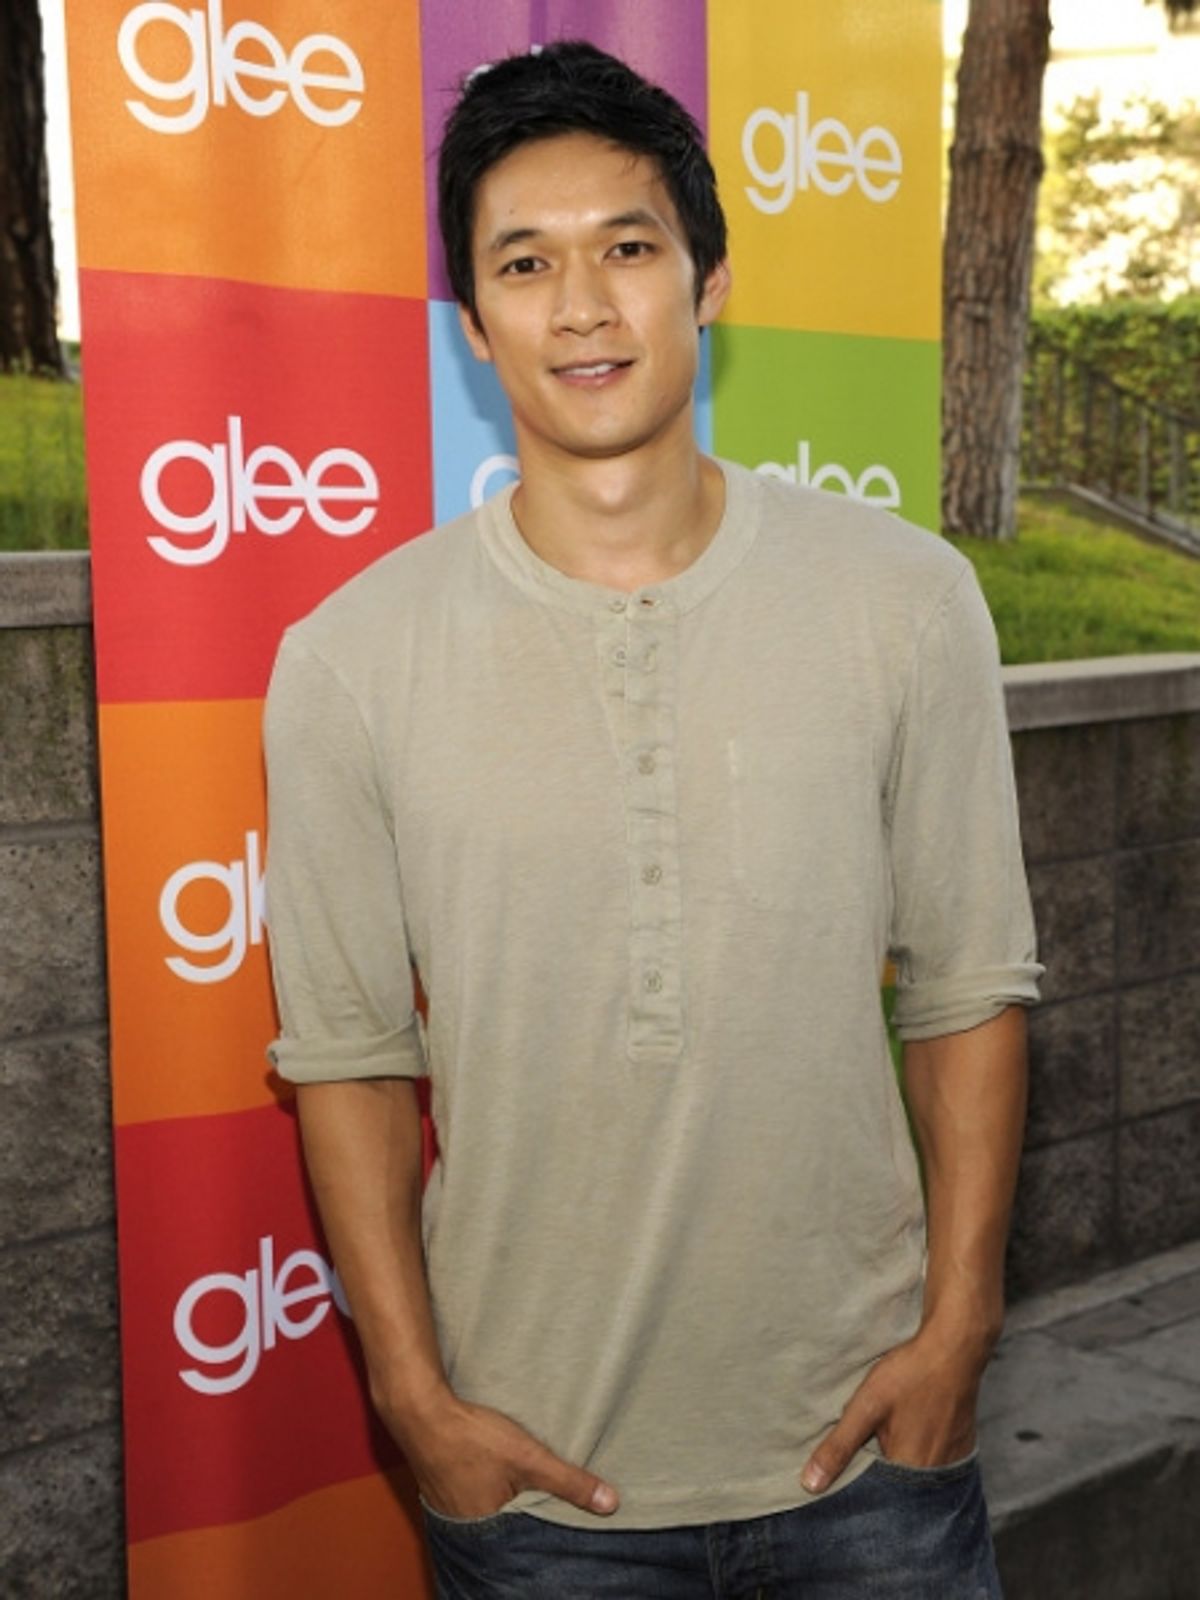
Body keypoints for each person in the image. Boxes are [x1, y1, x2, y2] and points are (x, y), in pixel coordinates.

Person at [263, 40, 1043, 1599]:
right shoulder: (347, 659)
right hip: (538, 1491)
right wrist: (417, 1404)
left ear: (709, 277)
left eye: (628, 248)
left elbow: (971, 989)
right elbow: (346, 1056)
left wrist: (958, 1332)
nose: (582, 305)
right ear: (474, 324)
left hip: (873, 1455)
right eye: (524, 264)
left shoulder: (908, 602)